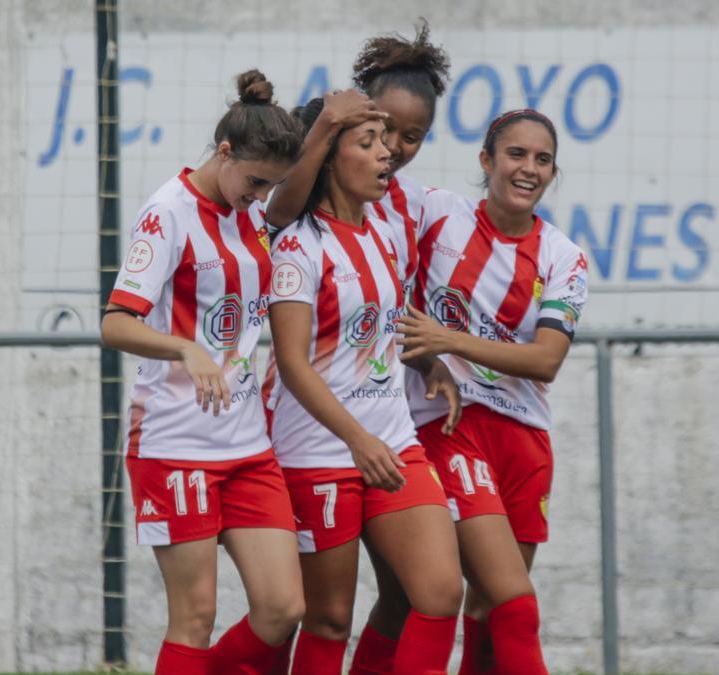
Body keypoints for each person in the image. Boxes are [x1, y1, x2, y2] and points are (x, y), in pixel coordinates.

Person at [264, 23, 460, 673]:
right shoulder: (299, 240)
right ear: (331, 152)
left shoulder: (391, 221)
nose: (389, 154)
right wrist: (355, 438)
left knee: (439, 592)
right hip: (321, 446)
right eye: (372, 139)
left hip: (392, 437)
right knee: (326, 617)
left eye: (401, 140)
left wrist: (428, 358)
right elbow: (293, 361)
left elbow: (386, 323)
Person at [101, 69, 305, 675]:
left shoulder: (249, 215)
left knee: (283, 609)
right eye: (255, 182)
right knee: (194, 616)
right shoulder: (166, 214)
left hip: (247, 444)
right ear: (223, 153)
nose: (261, 197)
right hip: (175, 441)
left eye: (272, 188)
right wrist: (186, 350)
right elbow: (115, 323)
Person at [393, 109, 587, 674]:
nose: (529, 169)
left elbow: (546, 360)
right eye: (516, 155)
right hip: (452, 427)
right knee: (514, 603)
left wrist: (447, 338)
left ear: (552, 173)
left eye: (542, 159)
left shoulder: (564, 256)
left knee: (489, 608)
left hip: (525, 441)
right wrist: (432, 356)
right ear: (486, 161)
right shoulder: (438, 215)